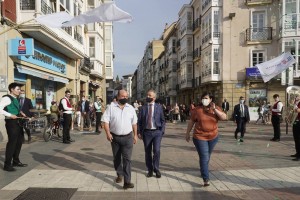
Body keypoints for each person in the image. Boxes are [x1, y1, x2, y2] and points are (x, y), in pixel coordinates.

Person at [185, 92, 226, 187]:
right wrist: (187, 133)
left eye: (206, 98)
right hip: (200, 137)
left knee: (207, 156)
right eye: (203, 98)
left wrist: (215, 109)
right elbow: (191, 122)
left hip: (213, 137)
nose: (204, 100)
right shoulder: (197, 110)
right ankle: (206, 178)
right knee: (204, 156)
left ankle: (203, 170)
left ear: (211, 99)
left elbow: (224, 117)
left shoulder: (216, 108)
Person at [101, 89, 138, 189]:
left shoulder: (130, 108)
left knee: (127, 160)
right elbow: (105, 121)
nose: (125, 98)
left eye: (126, 96)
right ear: (117, 97)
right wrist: (108, 133)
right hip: (115, 138)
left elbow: (134, 123)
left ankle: (127, 181)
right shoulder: (111, 107)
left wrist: (135, 135)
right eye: (123, 96)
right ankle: (119, 174)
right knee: (116, 158)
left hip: (128, 138)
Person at [138, 89, 165, 178]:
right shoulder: (143, 108)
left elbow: (162, 120)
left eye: (149, 95)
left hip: (157, 132)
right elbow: (140, 121)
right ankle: (150, 169)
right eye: (147, 95)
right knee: (147, 152)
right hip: (147, 133)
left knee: (157, 151)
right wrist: (139, 132)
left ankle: (156, 169)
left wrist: (162, 131)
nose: (147, 97)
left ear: (154, 97)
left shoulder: (159, 107)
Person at [0, 83, 28, 171]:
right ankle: (7, 165)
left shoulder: (15, 99)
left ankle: (15, 161)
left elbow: (15, 108)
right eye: (18, 89)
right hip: (11, 123)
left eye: (20, 89)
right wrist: (10, 114)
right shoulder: (6, 98)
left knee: (19, 142)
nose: (20, 91)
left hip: (18, 122)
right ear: (12, 89)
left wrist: (21, 113)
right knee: (12, 143)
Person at [291, 95, 300, 161]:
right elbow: (293, 111)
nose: (296, 97)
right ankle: (297, 153)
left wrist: (294, 104)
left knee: (299, 139)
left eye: (297, 96)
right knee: (296, 138)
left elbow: (298, 110)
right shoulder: (297, 103)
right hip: (295, 121)